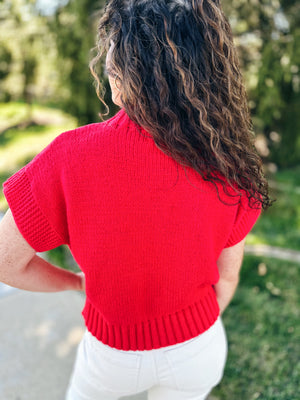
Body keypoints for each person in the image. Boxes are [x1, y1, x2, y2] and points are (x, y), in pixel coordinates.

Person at [0, 1, 272, 399]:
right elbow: (226, 279)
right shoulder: (228, 159)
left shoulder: (69, 156)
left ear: (128, 70)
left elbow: (6, 261)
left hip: (112, 358)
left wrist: (74, 282)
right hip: (198, 349)